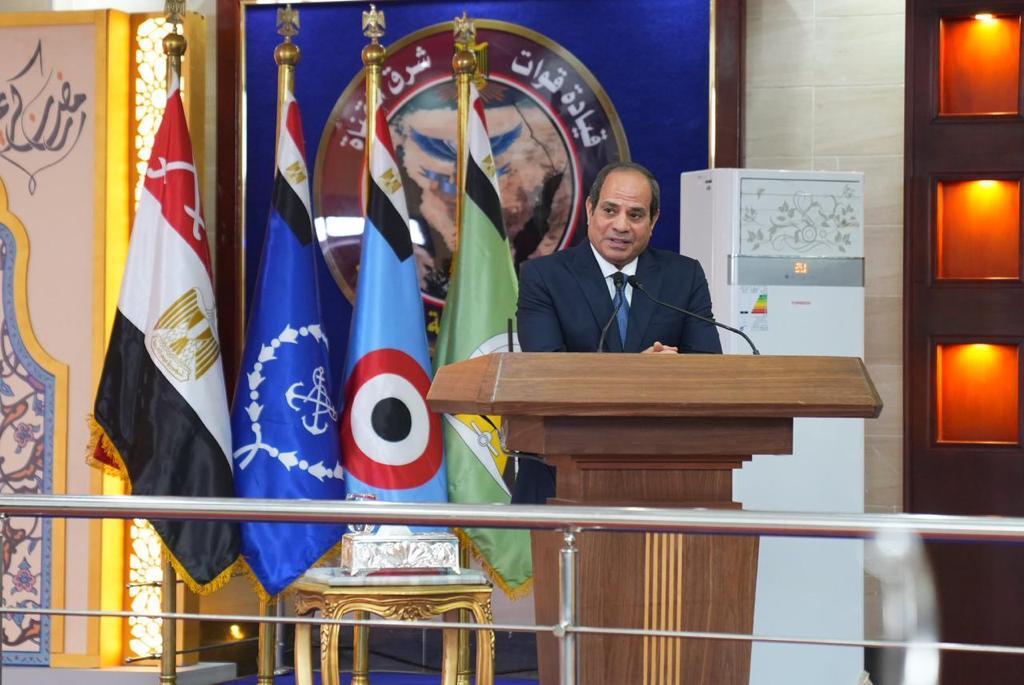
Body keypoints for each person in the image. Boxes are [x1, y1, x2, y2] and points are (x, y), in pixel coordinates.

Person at [512, 160, 722, 502]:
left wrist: (677, 370)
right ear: (590, 210)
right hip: (560, 476)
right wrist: (639, 372)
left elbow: (709, 366)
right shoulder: (543, 277)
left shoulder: (684, 277)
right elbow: (546, 373)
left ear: (653, 221)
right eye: (610, 210)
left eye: (635, 215)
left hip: (662, 475)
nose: (621, 226)